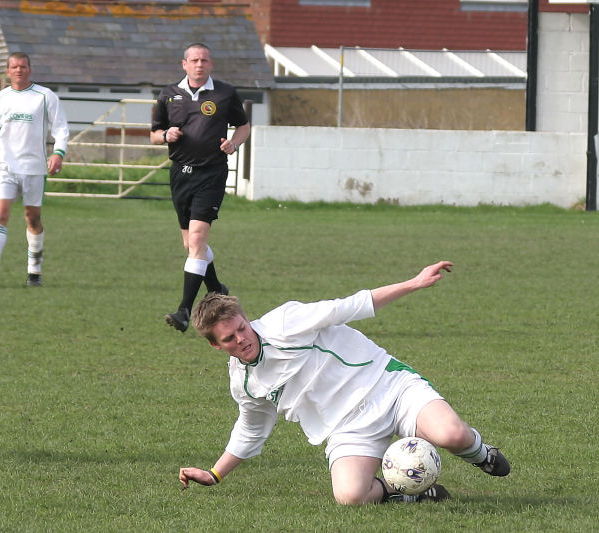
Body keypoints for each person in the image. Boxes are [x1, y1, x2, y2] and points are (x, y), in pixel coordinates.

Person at [178, 261, 510, 504]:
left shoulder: (285, 323)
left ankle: (480, 453)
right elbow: (251, 430)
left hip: (386, 385)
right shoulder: (244, 383)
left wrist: (414, 282)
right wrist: (215, 473)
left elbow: (348, 307)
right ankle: (409, 493)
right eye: (229, 339)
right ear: (215, 346)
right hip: (346, 428)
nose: (241, 339)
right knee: (350, 497)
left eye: (241, 328)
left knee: (452, 435)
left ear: (246, 319)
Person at [151, 42, 251, 332]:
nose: (199, 64)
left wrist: (234, 142)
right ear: (184, 64)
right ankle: (217, 287)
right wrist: (165, 135)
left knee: (196, 240)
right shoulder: (168, 95)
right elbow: (153, 135)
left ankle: (184, 310)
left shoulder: (225, 93)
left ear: (211, 64)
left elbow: (243, 126)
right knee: (191, 245)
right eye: (194, 60)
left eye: (204, 60)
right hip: (180, 174)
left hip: (212, 173)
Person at [0, 52, 69, 288]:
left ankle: (34, 271)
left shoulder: (45, 96)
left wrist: (58, 154)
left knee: (32, 218)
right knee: (1, 214)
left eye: (23, 66)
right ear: (7, 71)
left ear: (30, 69)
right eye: (14, 67)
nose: (19, 70)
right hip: (6, 166)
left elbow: (60, 129)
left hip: (34, 167)